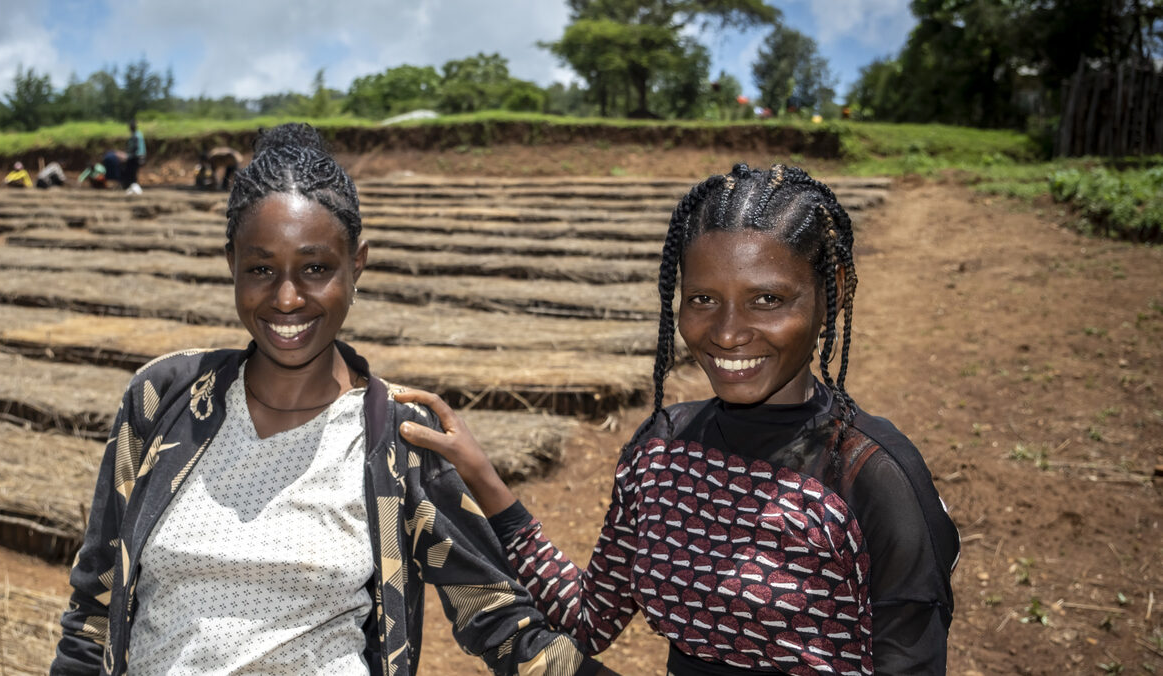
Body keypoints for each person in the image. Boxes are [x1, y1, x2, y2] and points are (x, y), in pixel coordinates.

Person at [51, 123, 605, 676]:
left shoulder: (397, 438)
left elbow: (501, 623)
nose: (287, 298)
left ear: (356, 264)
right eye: (261, 269)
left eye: (315, 269)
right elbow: (92, 610)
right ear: (231, 265)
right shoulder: (163, 401)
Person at [398, 164, 960, 675]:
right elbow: (589, 619)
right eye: (703, 299)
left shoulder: (872, 476)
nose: (727, 331)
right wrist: (488, 482)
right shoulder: (661, 449)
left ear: (828, 295)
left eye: (767, 299)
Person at [124, 118, 144, 194]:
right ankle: (133, 187)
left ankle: (135, 187)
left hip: (136, 157)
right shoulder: (136, 134)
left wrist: (127, 155)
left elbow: (135, 147)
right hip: (134, 156)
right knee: (132, 172)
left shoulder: (136, 135)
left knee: (132, 172)